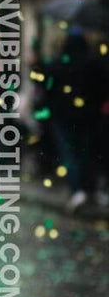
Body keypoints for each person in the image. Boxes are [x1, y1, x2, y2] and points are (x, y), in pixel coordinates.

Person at [40, 28, 99, 212]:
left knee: (70, 153)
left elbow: (47, 87)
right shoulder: (92, 63)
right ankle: (89, 188)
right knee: (86, 152)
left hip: (63, 116)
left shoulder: (58, 64)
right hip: (87, 116)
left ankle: (77, 189)